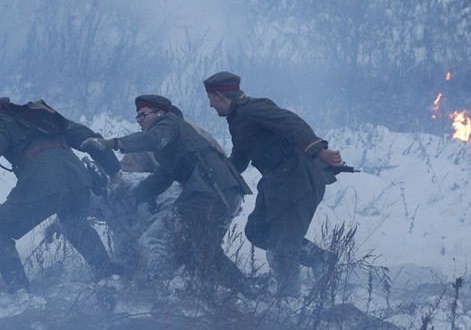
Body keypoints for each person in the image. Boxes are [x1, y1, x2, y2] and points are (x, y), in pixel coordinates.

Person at [0, 97, 125, 293]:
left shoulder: (2, 121)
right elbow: (89, 138)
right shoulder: (44, 115)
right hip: (78, 180)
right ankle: (109, 273)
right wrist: (114, 171)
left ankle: (19, 291)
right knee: (74, 223)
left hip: (43, 181)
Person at [82, 95, 252, 296]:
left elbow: (153, 139)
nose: (140, 121)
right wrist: (134, 195)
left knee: (156, 239)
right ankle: (246, 292)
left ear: (160, 113)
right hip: (228, 194)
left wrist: (112, 143)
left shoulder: (169, 123)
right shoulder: (176, 146)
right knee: (203, 252)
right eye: (137, 117)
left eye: (143, 115)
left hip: (207, 193)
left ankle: (150, 293)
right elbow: (162, 178)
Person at [203, 71, 343, 297]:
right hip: (277, 182)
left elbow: (291, 123)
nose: (211, 106)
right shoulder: (238, 120)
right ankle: (320, 259)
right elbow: (239, 159)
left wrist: (318, 150)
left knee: (283, 245)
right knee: (257, 230)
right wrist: (209, 174)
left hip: (298, 178)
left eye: (211, 100)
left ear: (218, 96)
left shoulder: (253, 109)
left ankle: (289, 299)